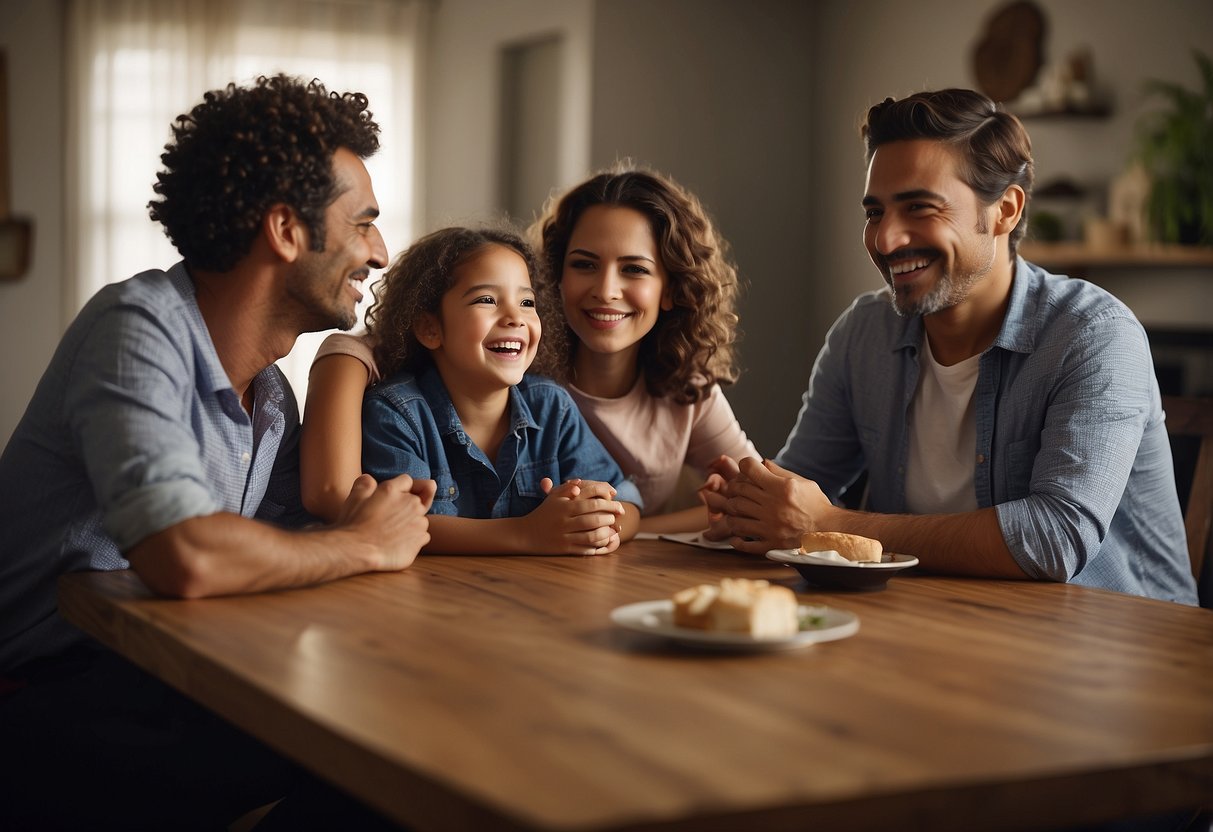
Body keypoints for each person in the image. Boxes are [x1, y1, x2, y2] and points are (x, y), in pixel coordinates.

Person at [0, 75, 433, 830]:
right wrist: (361, 543)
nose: (380, 250)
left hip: (157, 679)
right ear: (285, 230)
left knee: (401, 736)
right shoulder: (135, 327)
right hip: (39, 699)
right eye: (362, 223)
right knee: (386, 772)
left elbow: (290, 545)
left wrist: (353, 531)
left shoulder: (269, 393)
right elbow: (188, 555)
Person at [706, 88, 1196, 606]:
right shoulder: (863, 334)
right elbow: (798, 489)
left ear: (1004, 210)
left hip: (1128, 652)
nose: (887, 239)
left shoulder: (1093, 334)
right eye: (875, 212)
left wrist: (831, 523)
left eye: (920, 207)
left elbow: (1054, 539)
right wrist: (748, 505)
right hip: (940, 624)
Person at [298, 165, 758, 533]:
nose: (606, 289)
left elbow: (752, 492)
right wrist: (342, 355)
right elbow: (384, 346)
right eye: (584, 264)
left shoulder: (674, 386)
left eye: (634, 269)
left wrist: (599, 522)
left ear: (671, 287)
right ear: (555, 273)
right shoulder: (476, 371)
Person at [359, 226, 642, 555]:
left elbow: (627, 502)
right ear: (430, 328)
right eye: (487, 300)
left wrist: (595, 523)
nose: (514, 317)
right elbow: (396, 524)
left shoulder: (552, 407)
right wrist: (528, 533)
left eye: (526, 302)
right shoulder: (397, 413)